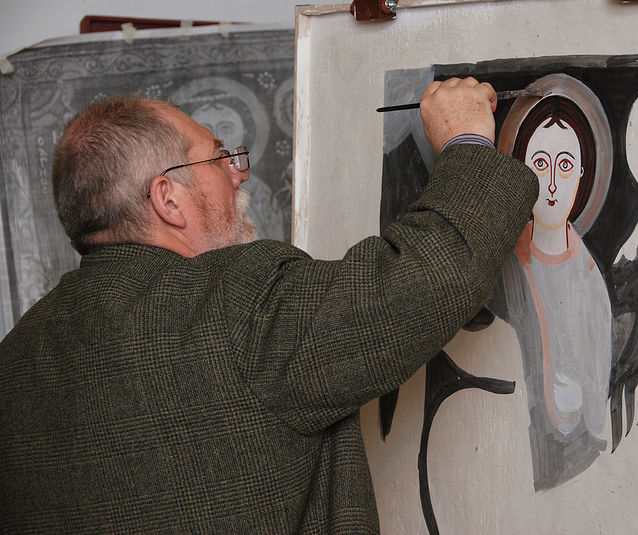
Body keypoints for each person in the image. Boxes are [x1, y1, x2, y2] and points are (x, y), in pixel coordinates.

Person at [0, 77, 538, 533]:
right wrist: (467, 141)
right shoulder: (236, 301)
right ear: (167, 199)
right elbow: (424, 280)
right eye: (219, 157)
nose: (240, 171)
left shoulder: (16, 359)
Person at [491, 94, 612, 491]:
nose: (553, 185)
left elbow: (597, 412)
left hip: (571, 462)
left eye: (565, 166)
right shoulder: (499, 264)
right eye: (540, 165)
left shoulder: (591, 282)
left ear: (582, 174)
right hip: (503, 455)